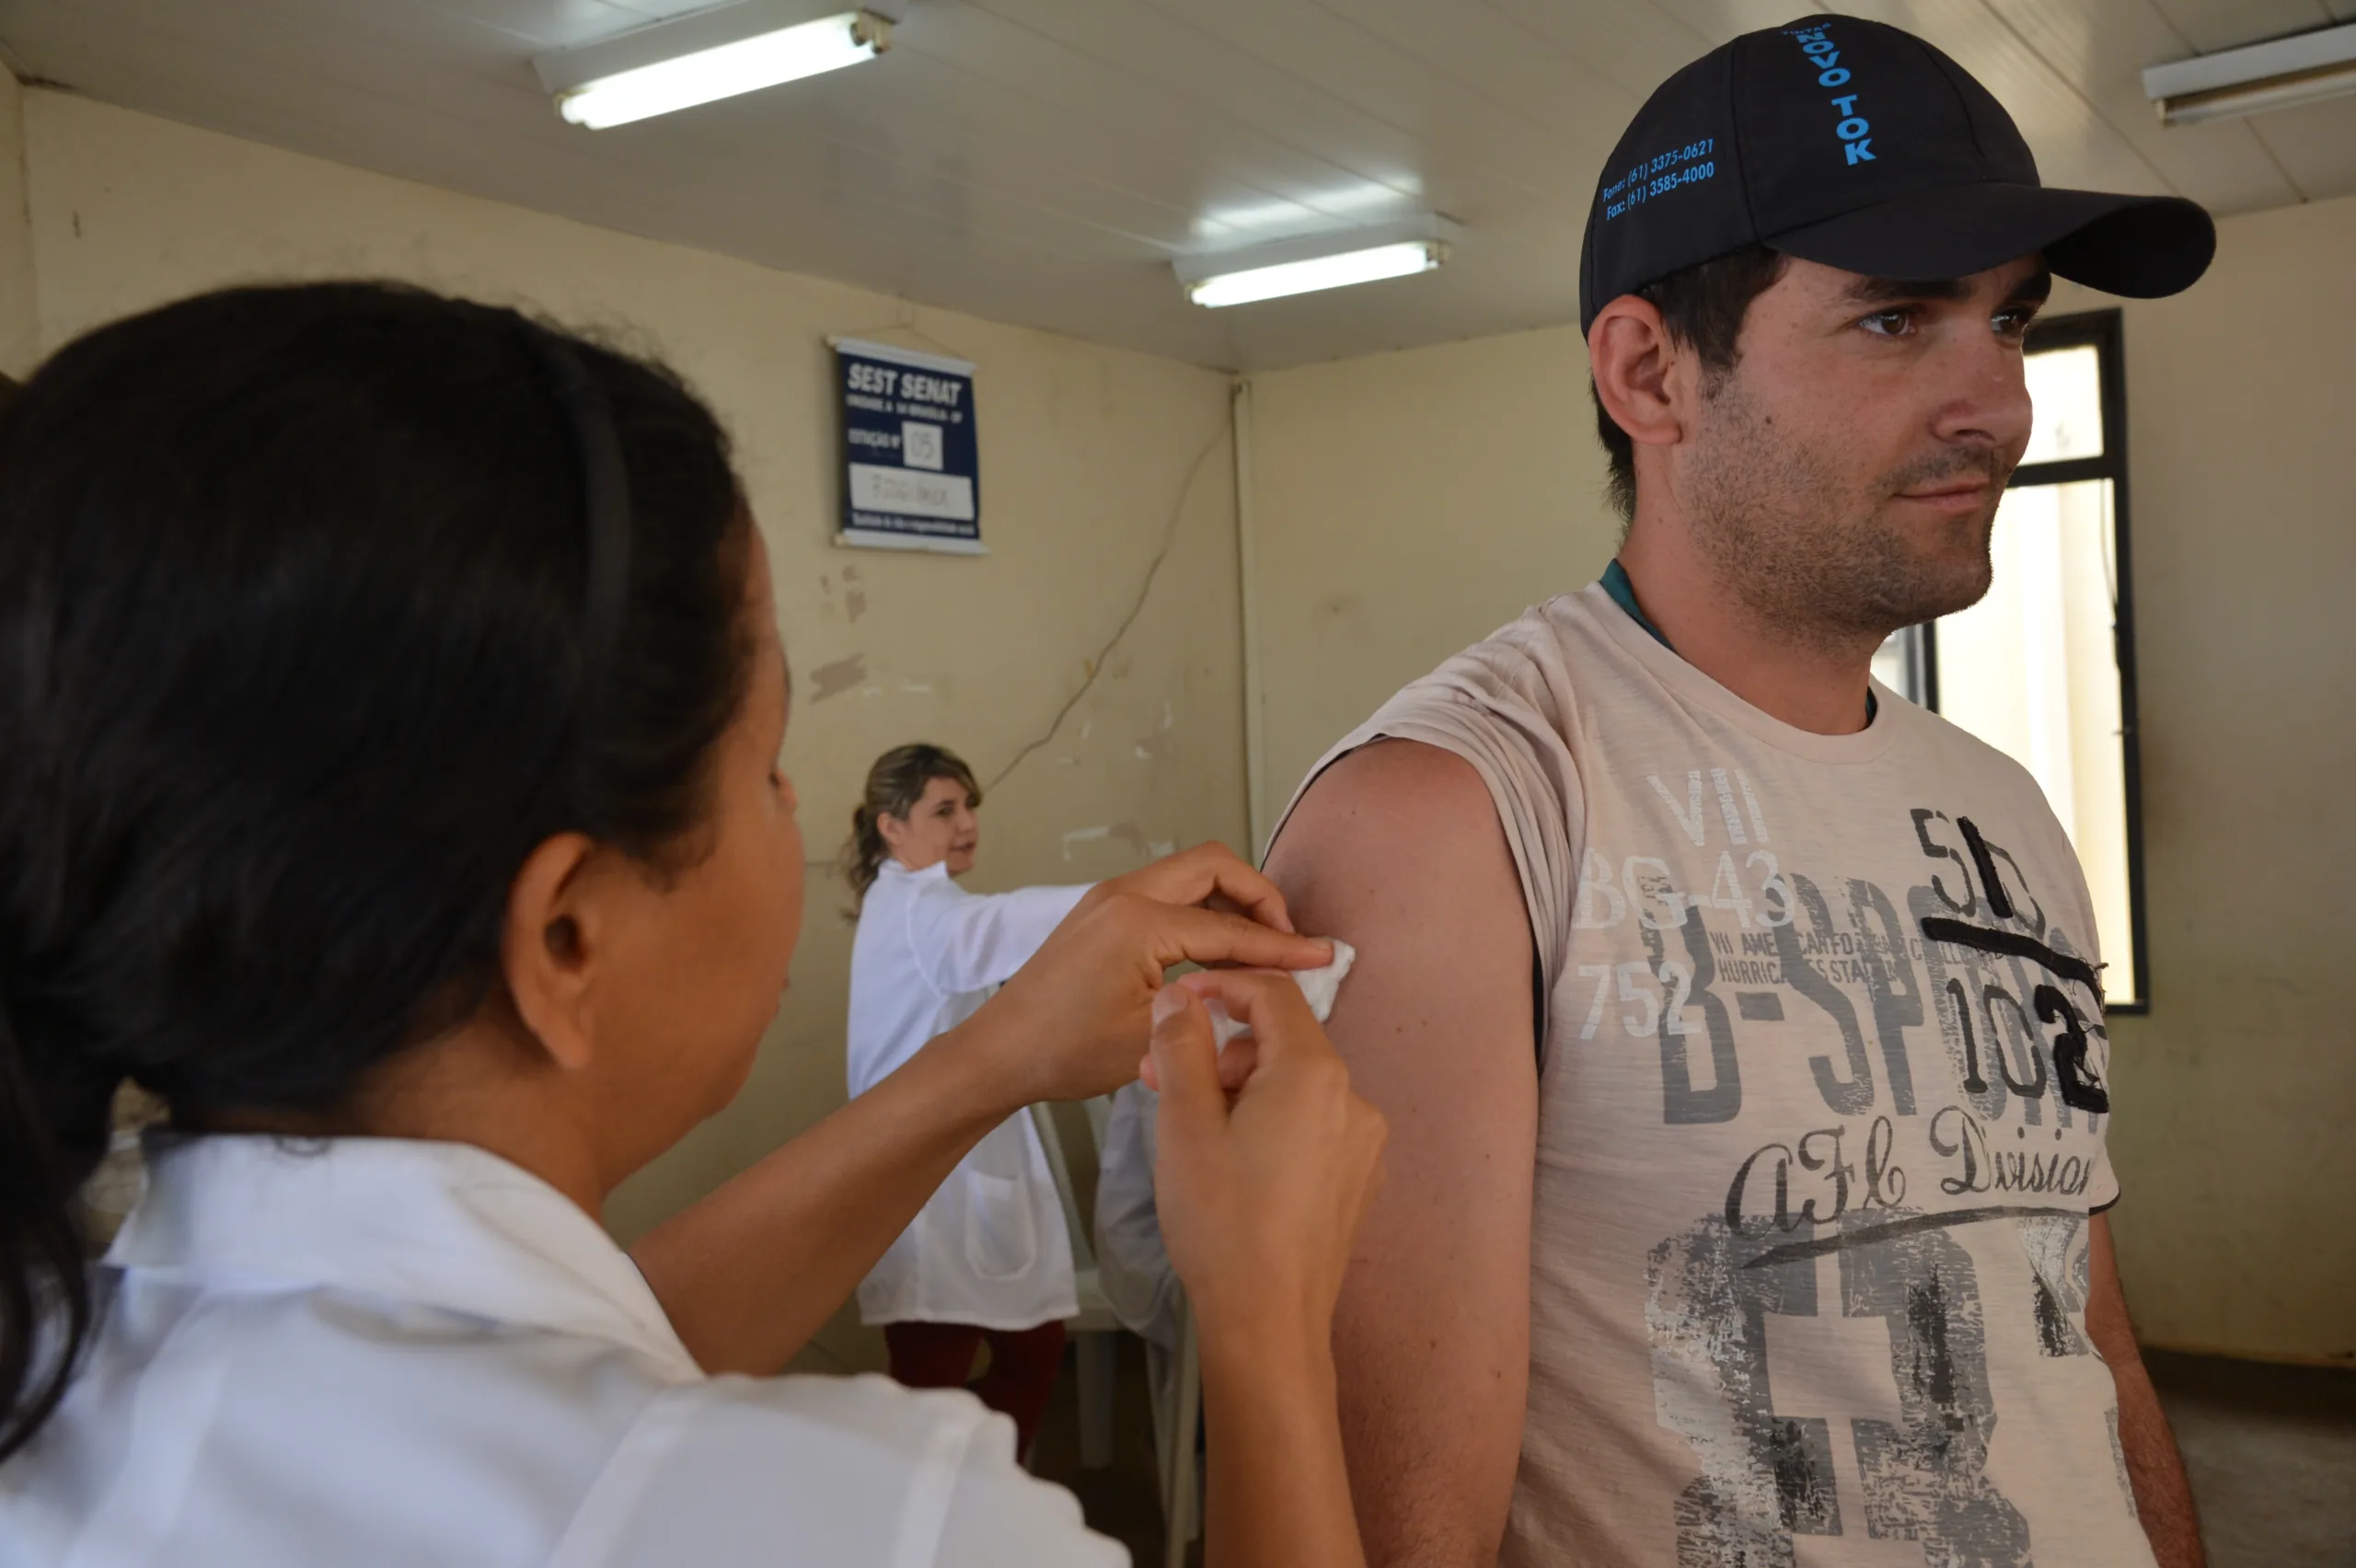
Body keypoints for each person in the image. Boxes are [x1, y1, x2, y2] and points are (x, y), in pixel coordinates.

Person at [0, 281, 1387, 1567]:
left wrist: (1002, 1056)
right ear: (565, 939)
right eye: (768, 761)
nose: (802, 813)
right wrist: (1265, 1321)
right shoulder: (855, 1524)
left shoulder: (69, 1368)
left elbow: (585, 1339)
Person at [1265, 18, 2214, 1568]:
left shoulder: (2007, 810)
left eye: (2011, 323)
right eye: (1899, 320)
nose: (1998, 404)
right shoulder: (1457, 815)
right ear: (1651, 371)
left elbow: (2083, 1345)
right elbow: (1392, 1529)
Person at [841, 743, 1091, 1457]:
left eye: (969, 806)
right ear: (892, 826)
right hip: (926, 1187)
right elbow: (999, 926)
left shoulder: (914, 902)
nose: (967, 823)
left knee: (1029, 1359)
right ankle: (938, 1508)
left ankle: (961, 1494)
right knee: (933, 1388)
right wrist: (1131, 902)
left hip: (952, 1179)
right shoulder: (921, 908)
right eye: (944, 809)